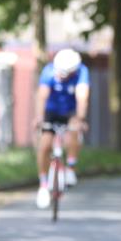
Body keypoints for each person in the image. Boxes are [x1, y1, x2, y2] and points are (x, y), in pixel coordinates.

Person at [32, 48, 89, 209]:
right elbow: (42, 96)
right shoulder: (48, 71)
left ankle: (70, 167)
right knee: (44, 146)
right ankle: (43, 184)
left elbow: (82, 97)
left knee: (74, 132)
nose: (60, 77)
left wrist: (80, 119)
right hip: (51, 111)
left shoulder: (81, 72)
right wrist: (38, 117)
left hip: (70, 111)